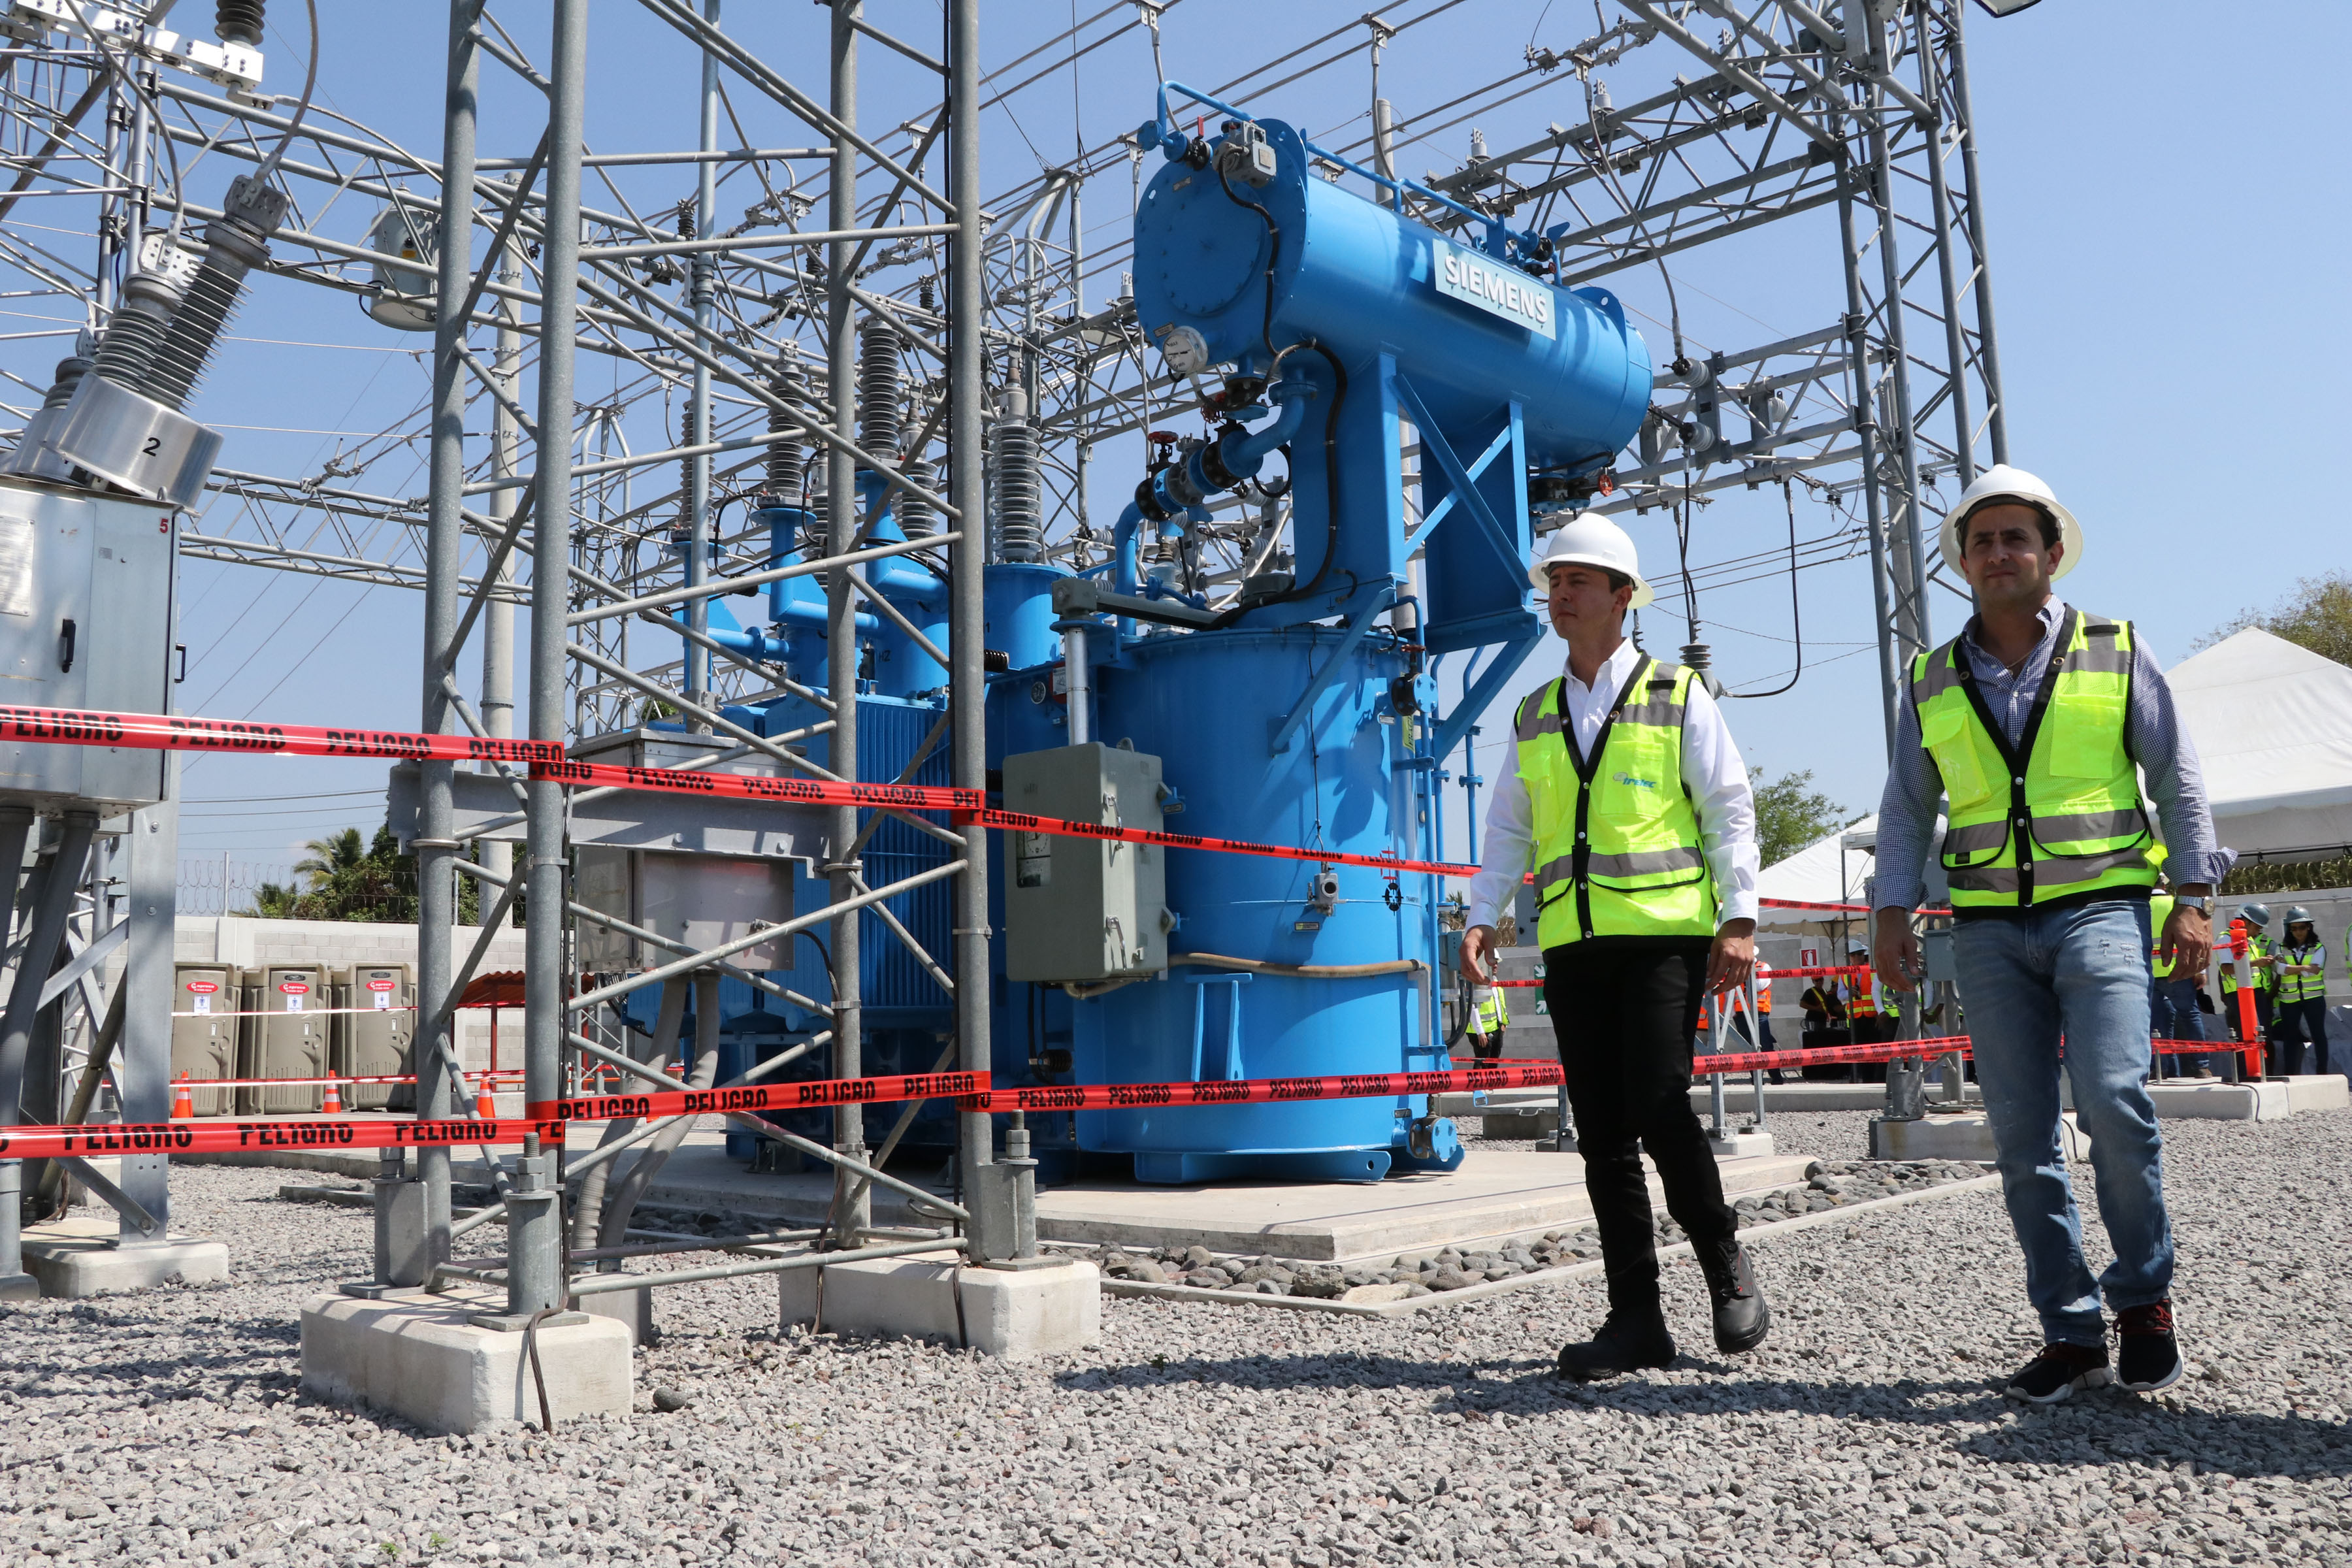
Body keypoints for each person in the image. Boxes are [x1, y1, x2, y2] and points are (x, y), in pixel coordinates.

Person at [1870, 465, 2230, 1404]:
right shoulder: (1933, 677)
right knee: (2022, 1135)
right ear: (1963, 561)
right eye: (1980, 541)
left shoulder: (2115, 649)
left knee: (2114, 1099)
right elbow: (1908, 808)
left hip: (2102, 910)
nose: (1997, 554)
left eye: (2014, 538)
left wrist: (2193, 895)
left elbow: (2177, 779)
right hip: (1987, 930)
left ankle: (2144, 1298)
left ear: (2051, 552)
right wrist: (1888, 907)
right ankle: (2070, 1333)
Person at [1460, 511, 1768, 1380]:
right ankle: (1636, 1319)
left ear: (1623, 598)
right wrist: (1483, 915)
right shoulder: (1533, 714)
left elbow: (1729, 808)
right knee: (1600, 1134)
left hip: (1665, 939)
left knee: (1662, 1103)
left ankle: (1724, 1260)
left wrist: (1739, 917)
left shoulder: (1676, 697)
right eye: (1556, 581)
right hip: (1575, 946)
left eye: (1579, 580)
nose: (1560, 592)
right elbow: (1509, 830)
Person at [2148, 880, 2215, 1080]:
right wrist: (2200, 971)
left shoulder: (2142, 906)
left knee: (2154, 1024)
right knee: (2190, 1016)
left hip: (2149, 974)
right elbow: (2195, 939)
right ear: (2165, 885)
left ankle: (2159, 1069)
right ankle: (2201, 1066)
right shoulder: (2177, 905)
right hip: (2179, 972)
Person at [2272, 907, 2330, 1077]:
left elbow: (2315, 970)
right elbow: (2280, 969)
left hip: (2314, 999)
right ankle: (2290, 1073)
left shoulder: (2318, 948)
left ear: (2309, 927)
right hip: (2289, 1000)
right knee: (2290, 1037)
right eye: (2294, 928)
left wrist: (2291, 968)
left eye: (2302, 927)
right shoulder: (2281, 948)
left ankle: (2322, 1072)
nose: (2298, 932)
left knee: (2318, 1035)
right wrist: (2304, 967)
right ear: (2290, 930)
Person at [2217, 902, 2275, 1054]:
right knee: (2246, 1037)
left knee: (2264, 1036)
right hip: (2239, 995)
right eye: (2257, 927)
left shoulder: (2248, 939)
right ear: (2246, 922)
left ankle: (2266, 1073)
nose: (2258, 932)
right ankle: (2246, 1074)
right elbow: (2227, 969)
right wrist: (2257, 963)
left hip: (2256, 993)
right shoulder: (2226, 939)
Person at [1465, 979, 1511, 1060]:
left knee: (1494, 1063)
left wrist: (1503, 1024)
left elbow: (1500, 1005)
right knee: (1483, 1064)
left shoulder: (1496, 983)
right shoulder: (1476, 981)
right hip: (1480, 1032)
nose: (1495, 966)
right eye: (1492, 965)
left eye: (1496, 964)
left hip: (1496, 1028)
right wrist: (1480, 1032)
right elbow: (1471, 1006)